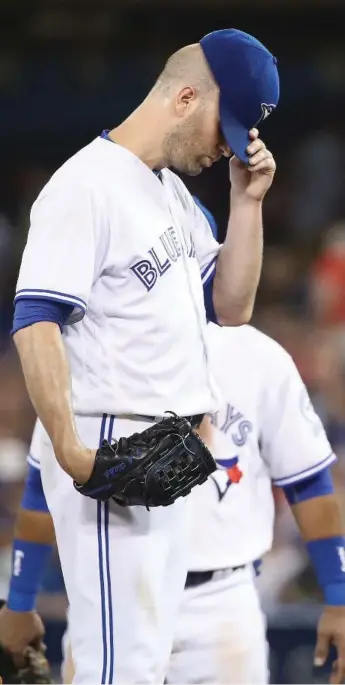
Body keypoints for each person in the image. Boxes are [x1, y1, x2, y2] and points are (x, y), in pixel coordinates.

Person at [10, 28, 279, 684]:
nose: (228, 145)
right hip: (112, 442)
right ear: (185, 97)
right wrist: (74, 451)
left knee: (143, 663)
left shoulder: (166, 193)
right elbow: (34, 322)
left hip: (169, 450)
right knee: (117, 666)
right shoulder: (86, 187)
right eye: (227, 125)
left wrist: (246, 204)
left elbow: (232, 306)